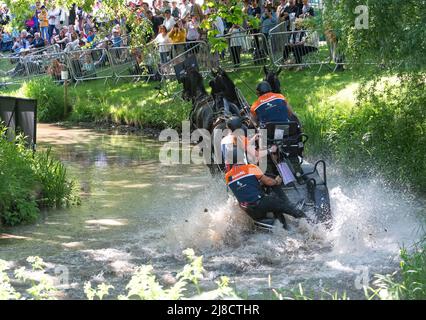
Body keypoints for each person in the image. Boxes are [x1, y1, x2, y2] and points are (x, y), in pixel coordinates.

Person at [225, 146, 306, 229]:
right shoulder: (251, 168)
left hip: (250, 211)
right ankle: (306, 219)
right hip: (261, 204)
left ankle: (281, 223)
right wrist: (277, 181)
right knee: (280, 203)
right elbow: (268, 182)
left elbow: (244, 186)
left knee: (274, 205)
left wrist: (259, 184)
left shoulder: (227, 177)